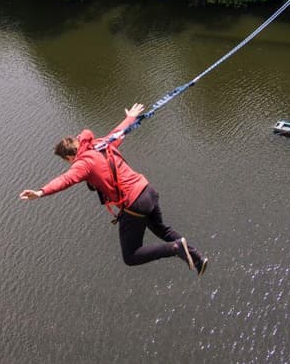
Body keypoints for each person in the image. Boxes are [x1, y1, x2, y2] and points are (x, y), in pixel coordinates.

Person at [19, 103, 208, 275]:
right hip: (147, 190)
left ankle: (175, 249)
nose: (70, 164)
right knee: (161, 229)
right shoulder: (101, 143)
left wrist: (41, 192)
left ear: (69, 157)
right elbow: (120, 131)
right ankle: (197, 258)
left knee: (131, 256)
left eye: (67, 161)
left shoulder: (83, 163)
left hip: (134, 204)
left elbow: (65, 180)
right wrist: (131, 117)